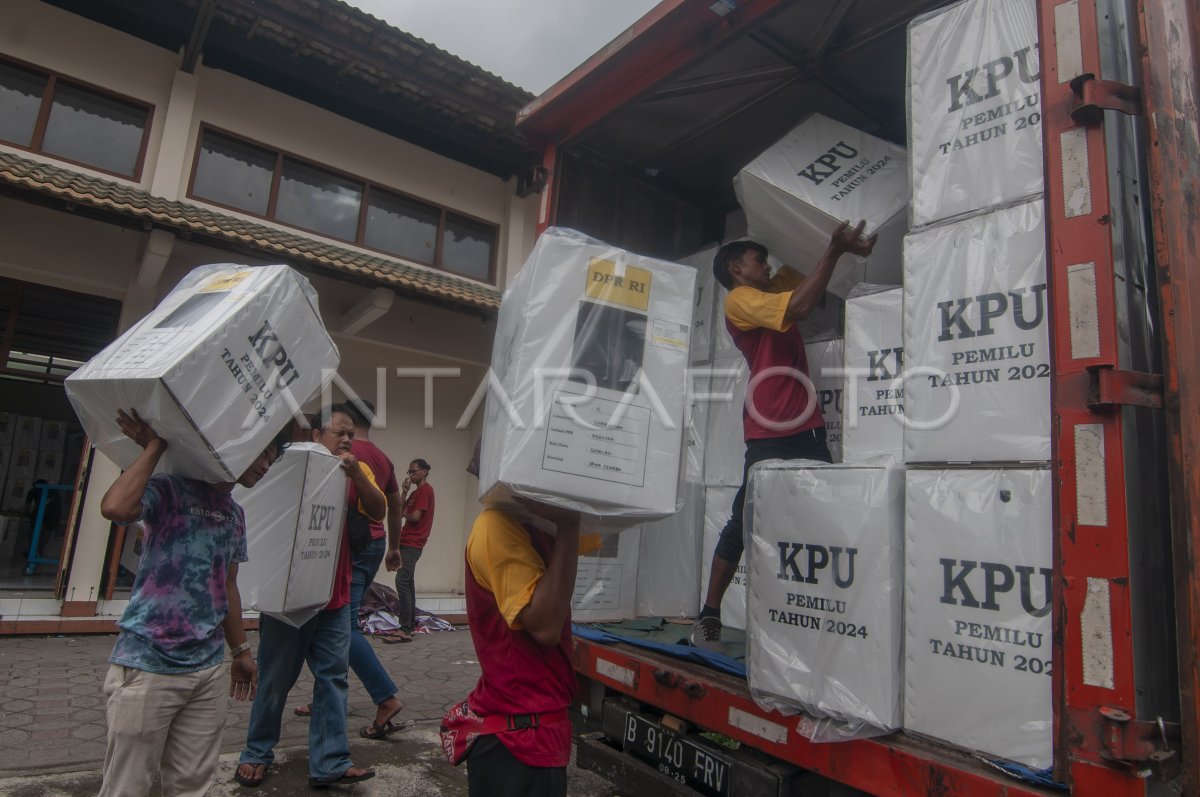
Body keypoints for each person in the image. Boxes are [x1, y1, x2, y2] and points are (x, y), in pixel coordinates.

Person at [691, 222, 876, 653]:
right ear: (736, 267)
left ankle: (824, 616)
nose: (767, 264)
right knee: (745, 519)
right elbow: (799, 306)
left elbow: (806, 287)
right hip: (770, 430)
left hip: (808, 427)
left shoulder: (771, 292)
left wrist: (842, 249)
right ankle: (710, 616)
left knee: (826, 519)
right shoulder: (740, 301)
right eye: (759, 259)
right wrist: (834, 246)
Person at [97, 409, 289, 797]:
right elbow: (115, 508)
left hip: (206, 668)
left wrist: (240, 651)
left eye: (272, 457)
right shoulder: (170, 489)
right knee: (127, 786)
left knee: (192, 786)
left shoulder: (234, 514)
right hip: (148, 663)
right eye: (262, 453)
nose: (266, 464)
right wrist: (155, 445)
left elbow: (228, 585)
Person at [236, 405, 385, 789]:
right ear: (316, 436)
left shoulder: (355, 470)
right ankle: (256, 753)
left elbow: (379, 508)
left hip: (334, 597)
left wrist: (356, 476)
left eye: (351, 433)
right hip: (291, 597)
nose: (348, 440)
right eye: (339, 433)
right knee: (274, 678)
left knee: (333, 678)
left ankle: (330, 762)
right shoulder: (291, 463)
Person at [443, 449, 581, 797]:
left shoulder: (535, 527)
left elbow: (602, 526)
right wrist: (568, 523)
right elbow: (545, 627)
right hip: (518, 739)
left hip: (536, 732)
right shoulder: (496, 527)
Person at [294, 399, 405, 737]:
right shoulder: (382, 457)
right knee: (325, 622)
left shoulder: (349, 452)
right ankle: (325, 694)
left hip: (347, 546)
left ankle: (384, 696)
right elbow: (395, 500)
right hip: (374, 543)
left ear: (350, 423)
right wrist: (394, 546)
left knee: (342, 622)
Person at [387, 457, 434, 639]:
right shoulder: (415, 493)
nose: (411, 475)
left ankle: (405, 628)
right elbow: (398, 512)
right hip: (406, 541)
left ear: (424, 471)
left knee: (402, 581)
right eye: (409, 472)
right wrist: (405, 492)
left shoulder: (426, 491)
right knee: (408, 582)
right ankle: (410, 624)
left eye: (413, 471)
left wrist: (404, 513)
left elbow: (413, 516)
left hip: (413, 543)